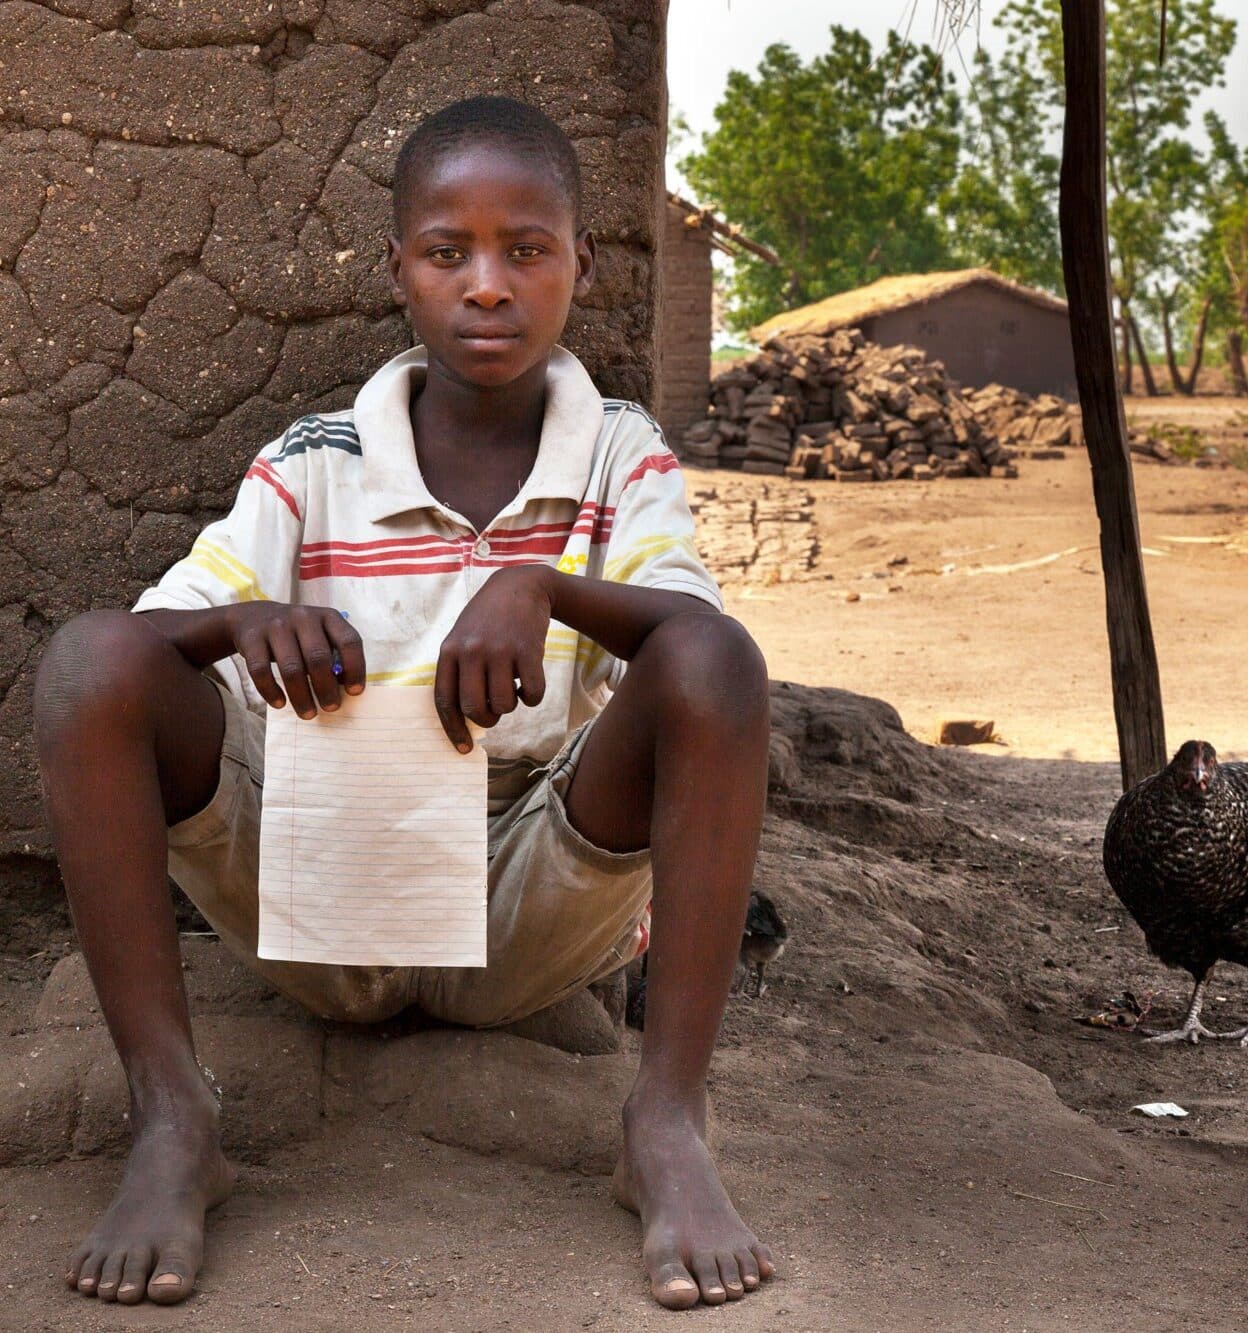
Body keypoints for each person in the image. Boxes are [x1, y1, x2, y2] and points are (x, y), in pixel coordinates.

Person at [32, 94, 774, 1312]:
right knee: (87, 665)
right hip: (324, 889)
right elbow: (146, 636)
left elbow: (705, 649)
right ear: (397, 270)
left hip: (531, 899)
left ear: (581, 263)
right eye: (448, 252)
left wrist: (544, 586)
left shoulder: (619, 451)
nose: (487, 285)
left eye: (525, 249)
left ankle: (665, 1121)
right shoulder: (314, 457)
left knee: (715, 664)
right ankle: (174, 1118)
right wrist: (243, 624)